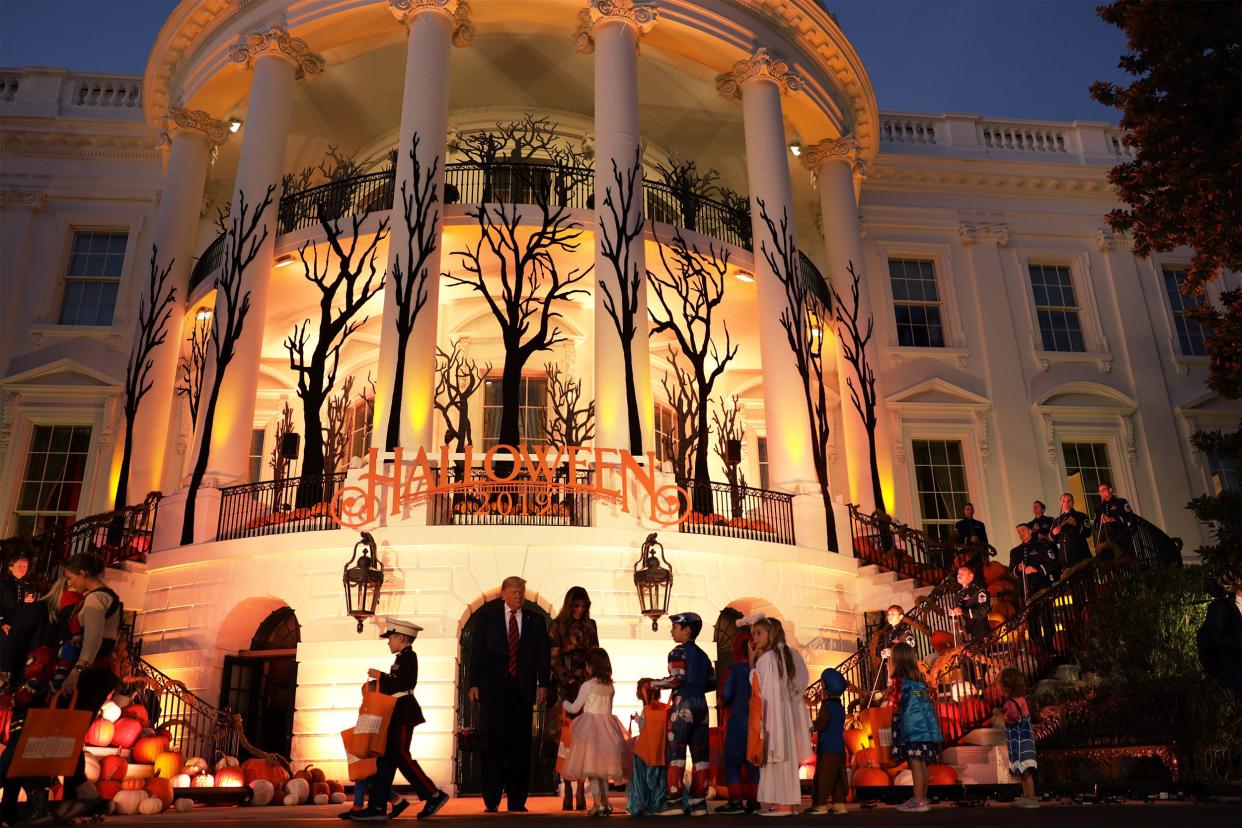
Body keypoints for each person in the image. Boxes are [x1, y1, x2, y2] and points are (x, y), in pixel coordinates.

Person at [45, 555, 123, 823]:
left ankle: (79, 796)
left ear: (83, 573)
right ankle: (79, 794)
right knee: (71, 733)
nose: (70, 582)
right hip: (103, 670)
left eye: (71, 576)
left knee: (69, 731)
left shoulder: (94, 600)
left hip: (93, 671)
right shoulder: (110, 596)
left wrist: (77, 669)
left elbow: (92, 640)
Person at [352, 619, 448, 822]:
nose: (388, 643)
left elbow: (406, 682)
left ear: (401, 638)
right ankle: (377, 806)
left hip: (404, 712)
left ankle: (433, 794)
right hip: (396, 713)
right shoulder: (401, 658)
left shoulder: (409, 656)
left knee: (401, 756)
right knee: (385, 760)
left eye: (391, 638)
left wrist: (382, 676)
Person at [467, 576, 550, 813]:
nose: (519, 596)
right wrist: (473, 683)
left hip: (522, 692)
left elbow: (543, 656)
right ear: (503, 593)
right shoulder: (487, 619)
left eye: (521, 592)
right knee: (493, 746)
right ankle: (491, 799)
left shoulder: (536, 622)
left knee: (520, 747)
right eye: (514, 592)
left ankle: (517, 800)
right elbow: (477, 655)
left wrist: (543, 684)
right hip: (493, 692)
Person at [651, 611, 715, 817]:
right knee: (700, 755)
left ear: (687, 630)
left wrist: (652, 683)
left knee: (676, 752)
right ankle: (698, 802)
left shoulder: (677, 652)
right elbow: (711, 683)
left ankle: (674, 800)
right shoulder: (704, 656)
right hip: (702, 707)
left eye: (675, 628)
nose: (671, 631)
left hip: (682, 705)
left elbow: (676, 679)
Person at [751, 617, 811, 816]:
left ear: (771, 633)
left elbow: (761, 690)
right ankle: (787, 802)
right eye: (754, 634)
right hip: (786, 713)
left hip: (773, 715)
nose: (755, 638)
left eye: (759, 633)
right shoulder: (789, 655)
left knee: (777, 757)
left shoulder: (767, 659)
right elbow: (799, 683)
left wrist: (753, 665)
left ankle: (784, 803)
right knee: (786, 757)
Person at [561, 647, 628, 816]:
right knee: (603, 770)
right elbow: (608, 709)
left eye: (587, 665)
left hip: (590, 730)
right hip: (608, 729)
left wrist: (564, 703)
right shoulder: (610, 687)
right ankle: (606, 803)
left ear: (591, 666)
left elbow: (575, 707)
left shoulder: (587, 686)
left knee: (592, 768)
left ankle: (597, 804)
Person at [549, 586, 598, 811]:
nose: (580, 610)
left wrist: (595, 680)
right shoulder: (556, 626)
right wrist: (567, 680)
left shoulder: (591, 625)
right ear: (569, 605)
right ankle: (567, 788)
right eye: (576, 605)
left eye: (583, 605)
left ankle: (580, 789)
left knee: (584, 738)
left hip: (586, 684)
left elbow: (596, 654)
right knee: (565, 739)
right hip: (563, 685)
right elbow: (553, 658)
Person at [889, 643, 942, 813]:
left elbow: (898, 700)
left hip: (911, 728)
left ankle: (918, 800)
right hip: (923, 727)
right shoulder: (918, 680)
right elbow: (922, 701)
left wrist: (888, 694)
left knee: (915, 764)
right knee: (922, 763)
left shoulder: (900, 680)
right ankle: (922, 797)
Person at [718, 629, 759, 814]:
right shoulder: (757, 671)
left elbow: (726, 695)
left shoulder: (733, 670)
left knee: (732, 762)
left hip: (736, 722)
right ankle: (754, 801)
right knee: (752, 763)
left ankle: (735, 802)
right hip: (754, 722)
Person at [806, 668, 848, 816]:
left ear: (826, 687)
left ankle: (820, 804)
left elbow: (822, 723)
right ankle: (839, 803)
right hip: (840, 749)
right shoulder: (840, 707)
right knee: (838, 777)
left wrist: (810, 725)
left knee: (823, 776)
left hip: (827, 748)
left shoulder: (827, 706)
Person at [995, 668, 1039, 809]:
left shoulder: (1010, 702)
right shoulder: (1022, 699)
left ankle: (1031, 797)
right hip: (1026, 739)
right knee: (1022, 770)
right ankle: (1026, 796)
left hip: (1019, 741)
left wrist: (1000, 716)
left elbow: (1012, 718)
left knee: (1024, 771)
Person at [627, 679, 668, 817]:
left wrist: (637, 719)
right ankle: (659, 804)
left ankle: (641, 804)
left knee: (641, 780)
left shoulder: (646, 710)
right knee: (659, 779)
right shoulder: (664, 709)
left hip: (644, 752)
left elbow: (644, 728)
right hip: (660, 751)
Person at [1197, 569, 1242, 694]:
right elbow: (1212, 640)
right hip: (1237, 676)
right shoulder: (1221, 607)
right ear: (1237, 581)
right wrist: (1237, 643)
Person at [869, 605, 930, 692]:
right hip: (892, 667)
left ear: (900, 616)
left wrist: (892, 652)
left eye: (893, 614)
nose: (890, 616)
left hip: (904, 670)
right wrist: (885, 654)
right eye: (888, 614)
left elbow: (910, 651)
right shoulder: (889, 633)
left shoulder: (905, 632)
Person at [0, 553, 35, 682]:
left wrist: (27, 603)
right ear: (10, 567)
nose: (23, 568)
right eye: (20, 566)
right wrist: (2, 622)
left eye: (25, 566)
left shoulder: (27, 585)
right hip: (4, 626)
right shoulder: (3, 584)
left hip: (18, 626)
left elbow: (25, 608)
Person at [950, 566, 991, 642]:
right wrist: (953, 613)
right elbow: (959, 613)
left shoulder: (979, 592)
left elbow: (983, 610)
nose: (959, 575)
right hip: (965, 635)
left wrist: (963, 612)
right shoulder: (958, 594)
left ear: (971, 575)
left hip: (979, 634)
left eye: (962, 573)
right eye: (958, 573)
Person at [1050, 493, 1092, 568]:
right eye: (1063, 501)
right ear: (1060, 503)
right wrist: (1054, 533)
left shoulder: (1082, 516)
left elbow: (1088, 533)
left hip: (1081, 556)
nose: (1066, 503)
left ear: (1073, 502)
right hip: (1065, 559)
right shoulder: (1056, 521)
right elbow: (1052, 540)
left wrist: (1076, 524)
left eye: (1068, 501)